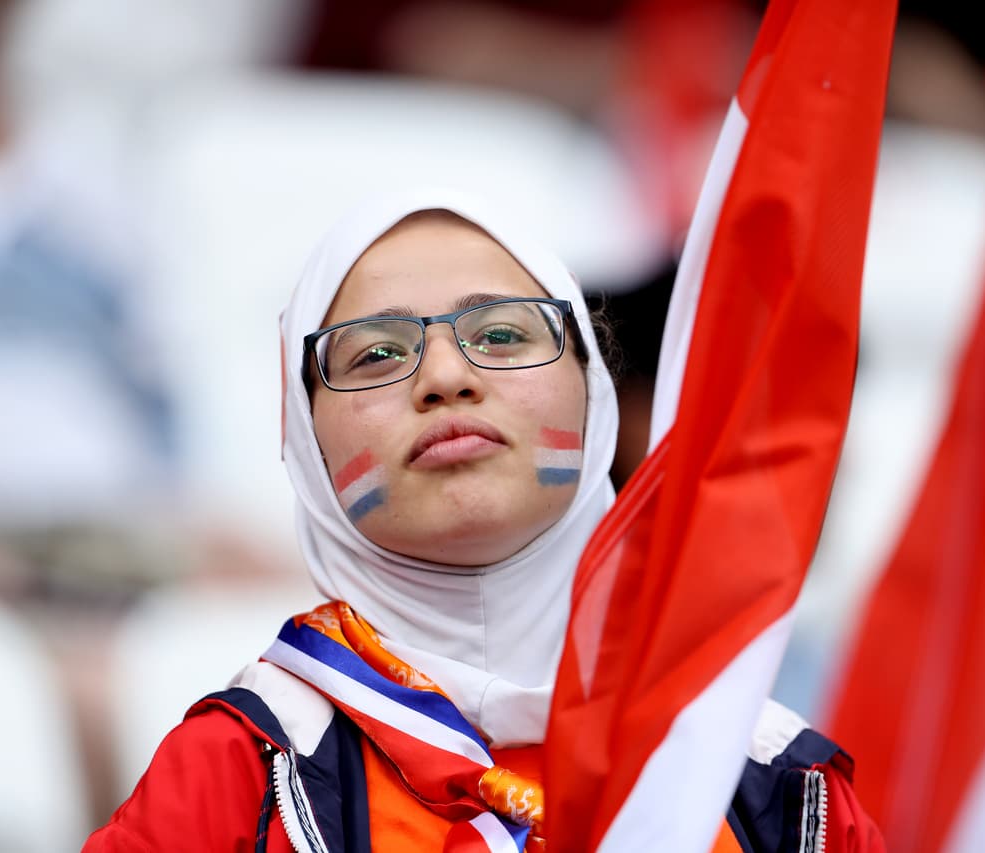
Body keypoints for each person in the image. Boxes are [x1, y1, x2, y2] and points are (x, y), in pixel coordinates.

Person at [85, 188, 880, 851]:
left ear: (594, 392)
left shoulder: (774, 781)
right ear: (306, 442)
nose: (445, 376)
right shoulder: (238, 776)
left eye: (502, 334)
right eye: (375, 355)